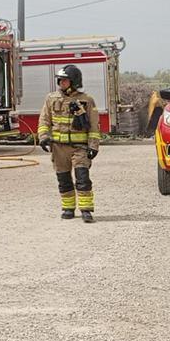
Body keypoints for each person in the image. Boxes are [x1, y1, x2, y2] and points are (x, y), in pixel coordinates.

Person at [37, 64, 102, 223]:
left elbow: (94, 125)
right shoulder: (51, 99)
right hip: (59, 148)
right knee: (64, 180)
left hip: (80, 147)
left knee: (83, 179)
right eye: (60, 80)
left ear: (74, 81)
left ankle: (86, 210)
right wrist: (43, 136)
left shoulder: (86, 100)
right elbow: (44, 120)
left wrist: (93, 146)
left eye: (64, 80)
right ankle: (68, 208)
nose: (61, 83)